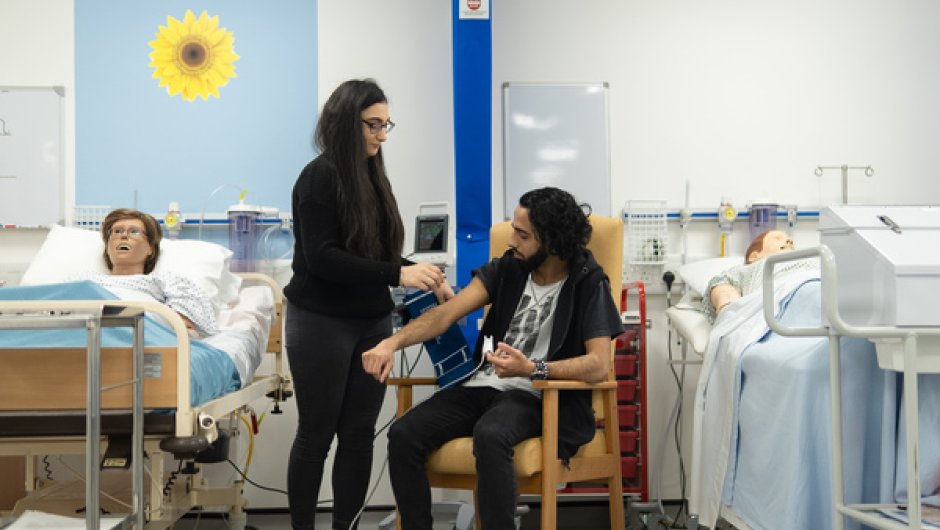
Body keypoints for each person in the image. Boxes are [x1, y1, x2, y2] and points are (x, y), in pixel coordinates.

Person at [362, 187, 625, 530]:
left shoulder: (588, 282)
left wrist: (533, 368)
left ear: (553, 239)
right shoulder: (508, 269)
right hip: (480, 386)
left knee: (491, 433)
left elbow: (598, 364)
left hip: (537, 394)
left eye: (522, 234)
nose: (511, 241)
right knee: (403, 434)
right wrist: (390, 344)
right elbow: (445, 315)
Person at [282, 78, 452, 530]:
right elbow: (322, 258)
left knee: (358, 436)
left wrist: (424, 274)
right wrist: (398, 273)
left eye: (385, 124)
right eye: (373, 125)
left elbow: (371, 252)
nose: (382, 135)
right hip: (320, 320)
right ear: (344, 123)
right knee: (316, 436)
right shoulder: (318, 176)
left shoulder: (372, 176)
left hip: (371, 322)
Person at [76, 208, 219, 338]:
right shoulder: (84, 281)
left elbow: (186, 329)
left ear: (150, 248)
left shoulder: (166, 281)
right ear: (107, 246)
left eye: (134, 232)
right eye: (117, 231)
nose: (124, 236)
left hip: (140, 337)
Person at [702, 229, 811, 322]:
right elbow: (721, 284)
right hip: (791, 299)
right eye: (777, 238)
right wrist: (729, 308)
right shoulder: (749, 269)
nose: (790, 240)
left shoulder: (815, 259)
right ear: (754, 256)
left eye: (789, 239)